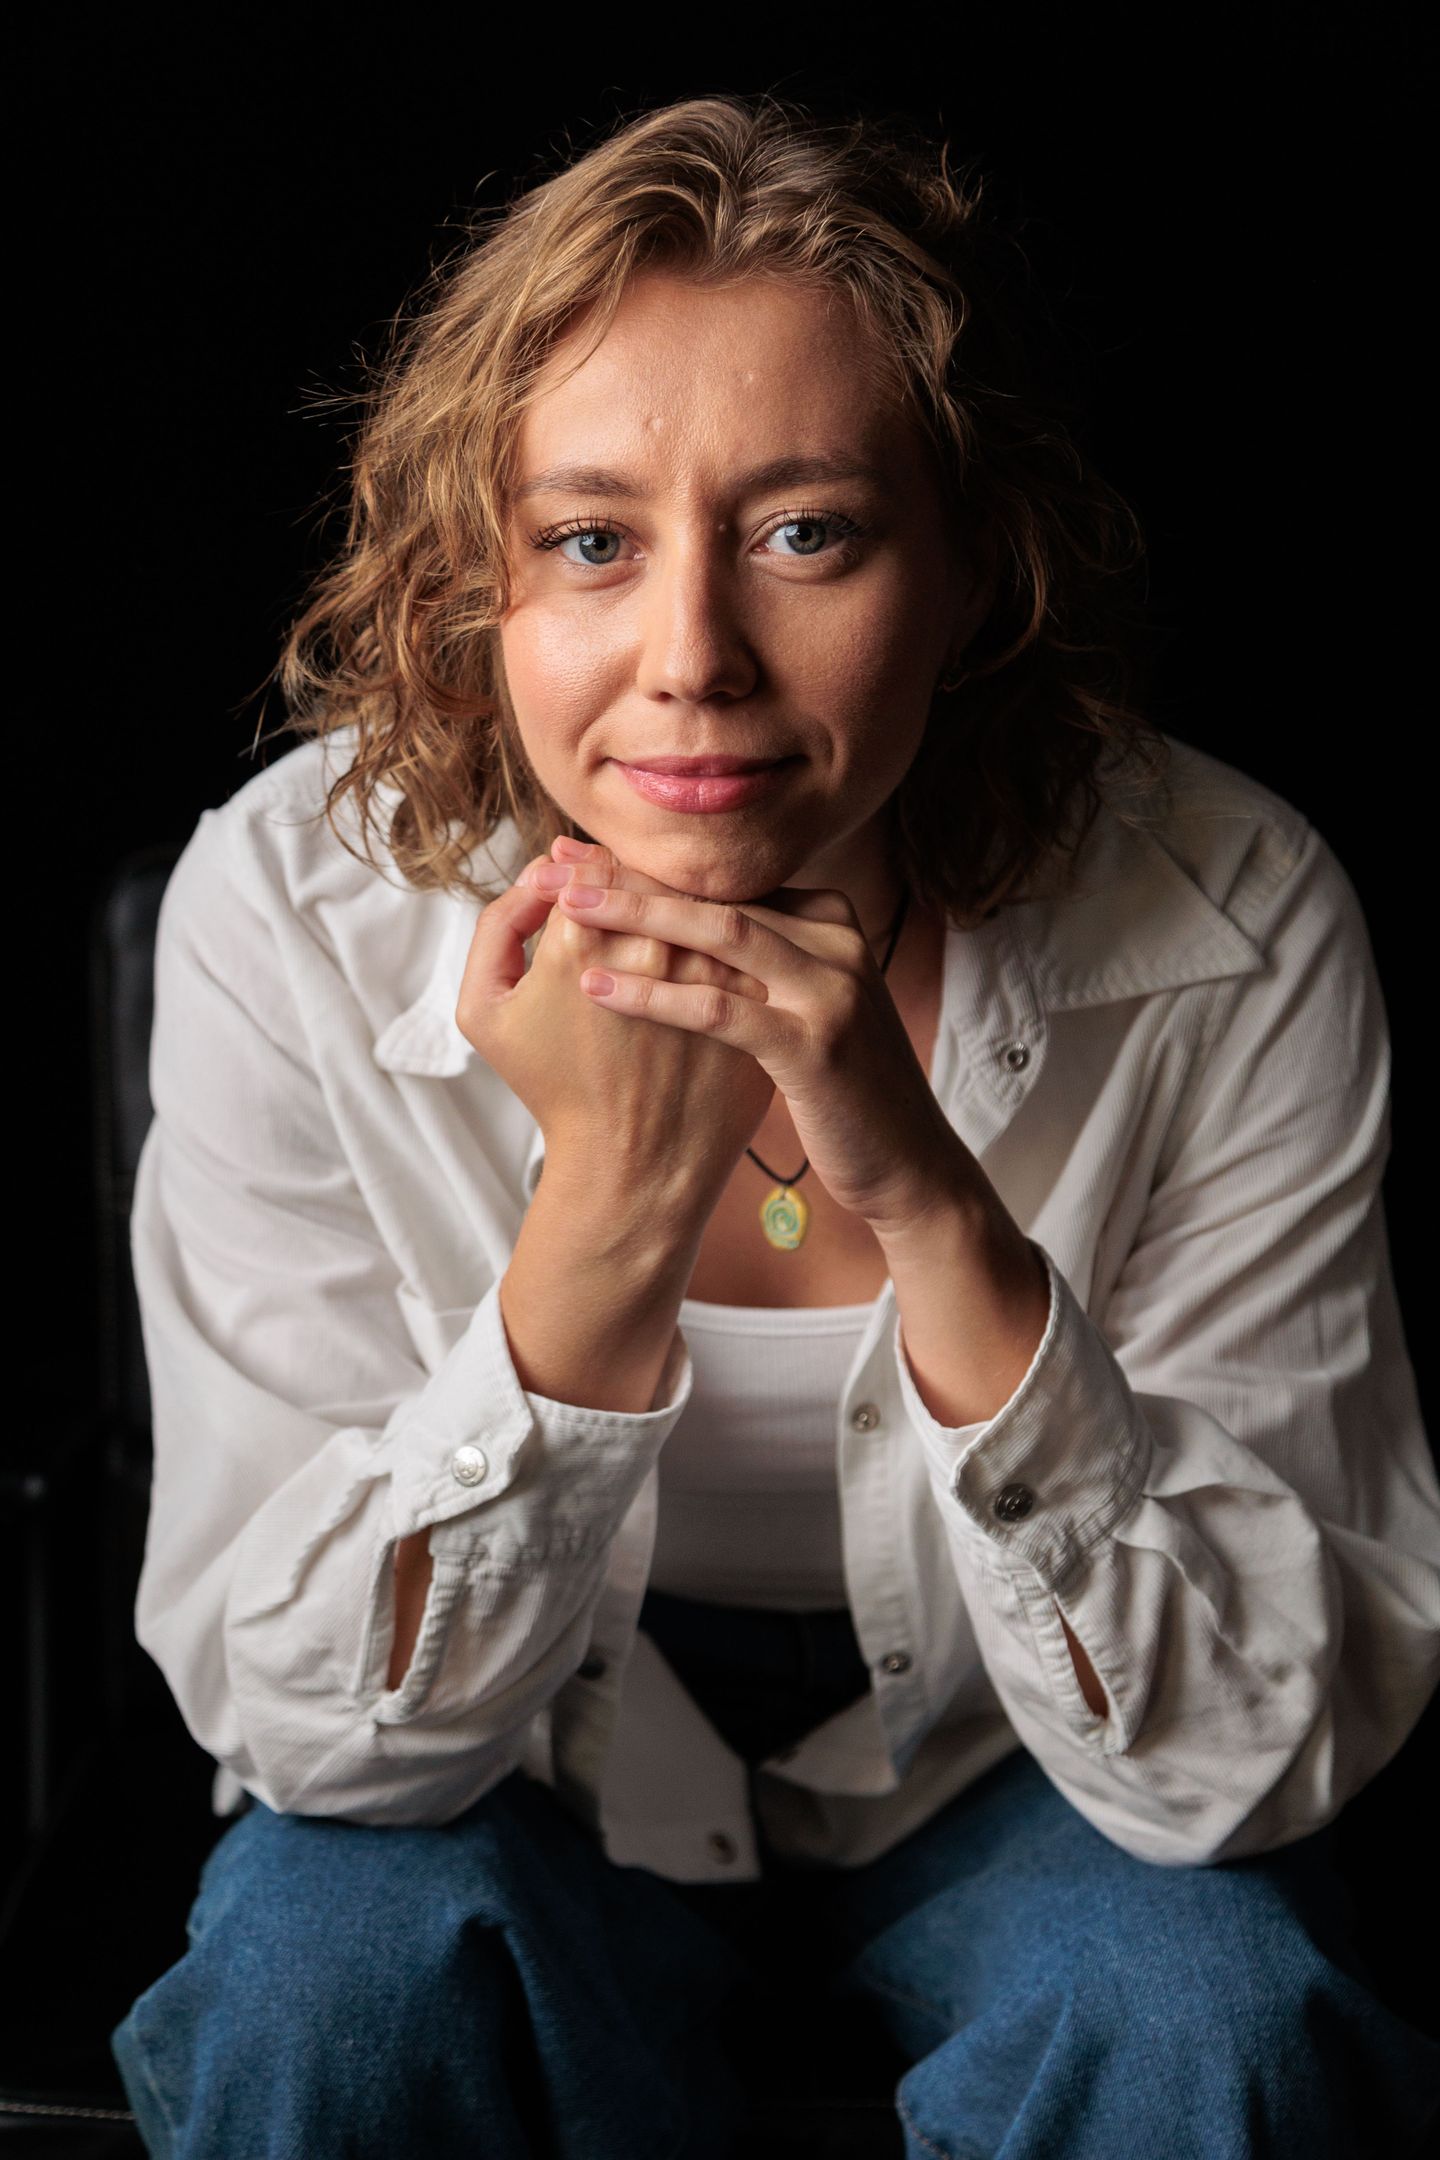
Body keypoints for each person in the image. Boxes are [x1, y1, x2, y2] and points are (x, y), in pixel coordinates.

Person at [110, 91, 1440, 2159]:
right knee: (324, 1983)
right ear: (476, 584)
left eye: (806, 532)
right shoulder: (292, 908)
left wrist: (929, 1201)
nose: (694, 662)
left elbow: (1242, 1764)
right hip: (517, 1765)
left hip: (1030, 1763)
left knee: (1214, 2019)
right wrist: (612, 1202)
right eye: (590, 543)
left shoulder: (1228, 916)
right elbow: (313, 1735)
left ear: (973, 564)